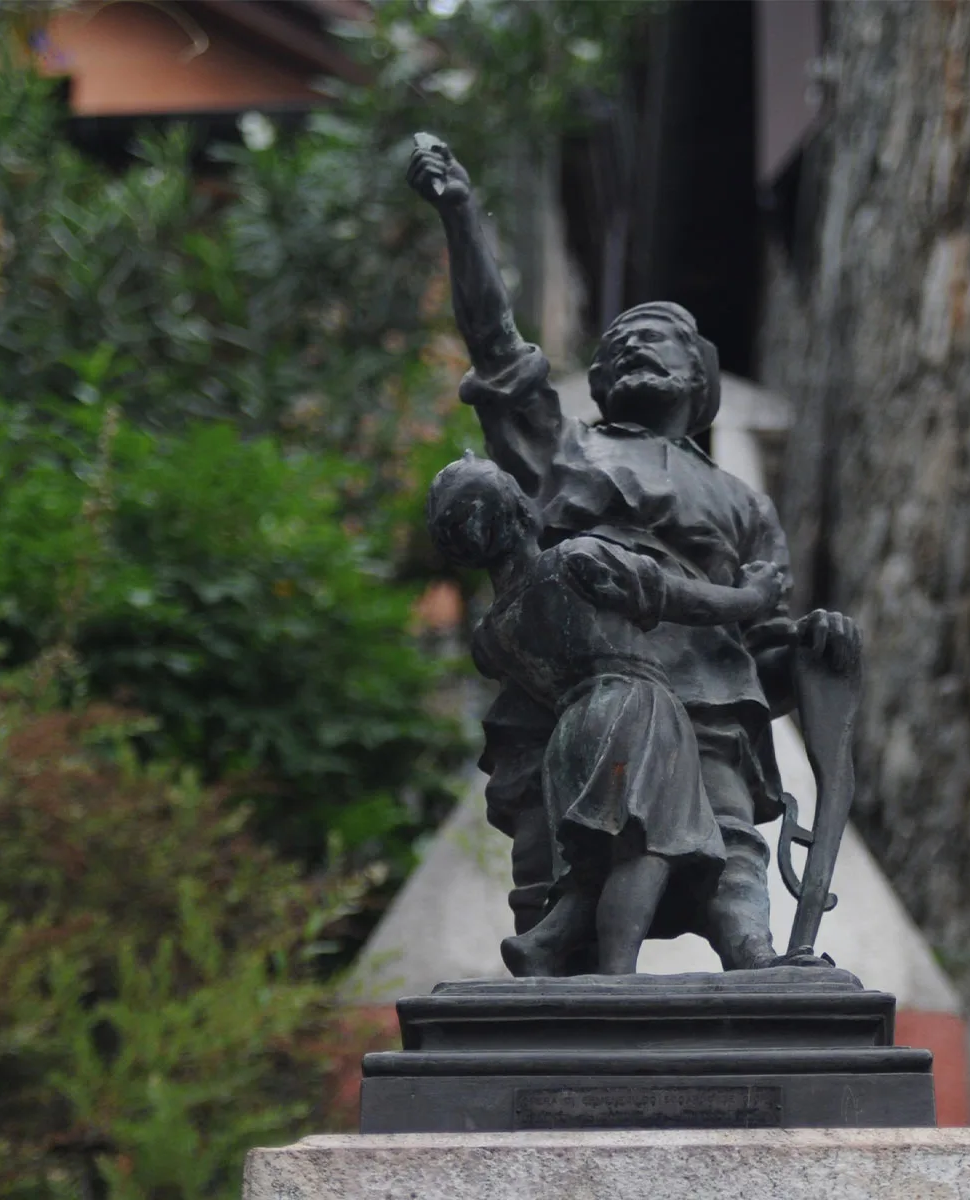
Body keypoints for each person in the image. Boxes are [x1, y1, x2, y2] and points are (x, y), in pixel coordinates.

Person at [408, 135, 860, 970]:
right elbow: (496, 347)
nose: (633, 348)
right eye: (617, 345)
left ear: (700, 379)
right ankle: (564, 972)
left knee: (731, 843)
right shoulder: (567, 455)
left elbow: (760, 645)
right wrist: (463, 214)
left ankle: (756, 959)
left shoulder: (745, 506)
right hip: (584, 698)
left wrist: (810, 646)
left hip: (712, 706)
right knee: (573, 862)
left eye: (660, 339)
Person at [425, 453, 787, 975]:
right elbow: (686, 600)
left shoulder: (491, 634)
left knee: (591, 859)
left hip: (566, 737)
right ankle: (617, 973)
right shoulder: (578, 559)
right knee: (650, 843)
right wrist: (754, 595)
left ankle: (545, 942)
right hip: (633, 707)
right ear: (523, 511)